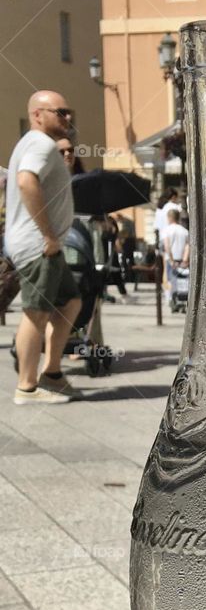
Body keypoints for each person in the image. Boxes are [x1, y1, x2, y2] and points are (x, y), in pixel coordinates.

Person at [4, 89, 83, 404]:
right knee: (35, 312)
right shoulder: (40, 143)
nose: (67, 118)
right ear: (38, 115)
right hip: (40, 245)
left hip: (45, 246)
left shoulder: (35, 144)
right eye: (60, 112)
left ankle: (51, 373)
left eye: (68, 112)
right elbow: (26, 181)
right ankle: (26, 387)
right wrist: (48, 235)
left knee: (70, 302)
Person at [161, 207, 190, 308]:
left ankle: (171, 302)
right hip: (182, 259)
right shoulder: (184, 231)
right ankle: (181, 301)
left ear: (169, 218)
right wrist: (185, 260)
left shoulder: (166, 230)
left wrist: (171, 260)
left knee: (170, 281)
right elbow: (187, 246)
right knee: (182, 281)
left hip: (171, 259)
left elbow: (167, 246)